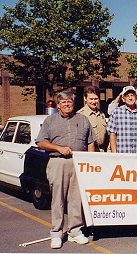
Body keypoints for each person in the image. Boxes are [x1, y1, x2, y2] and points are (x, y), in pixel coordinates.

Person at [36, 90, 96, 249]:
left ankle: (75, 231)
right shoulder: (50, 120)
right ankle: (56, 233)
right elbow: (41, 142)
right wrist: (59, 148)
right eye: (63, 102)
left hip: (78, 163)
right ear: (58, 105)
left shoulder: (83, 120)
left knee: (76, 198)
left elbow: (90, 142)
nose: (67, 104)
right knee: (58, 199)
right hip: (58, 162)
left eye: (70, 101)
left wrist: (89, 162)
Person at [107, 85, 137, 153]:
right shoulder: (116, 112)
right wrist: (114, 154)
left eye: (132, 95)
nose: (130, 98)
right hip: (122, 155)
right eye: (127, 96)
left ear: (136, 97)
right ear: (123, 99)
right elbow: (112, 135)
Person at [77, 86, 108, 151]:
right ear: (85, 99)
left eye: (96, 99)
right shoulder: (80, 115)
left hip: (102, 151)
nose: (94, 102)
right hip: (88, 151)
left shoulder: (101, 114)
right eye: (91, 99)